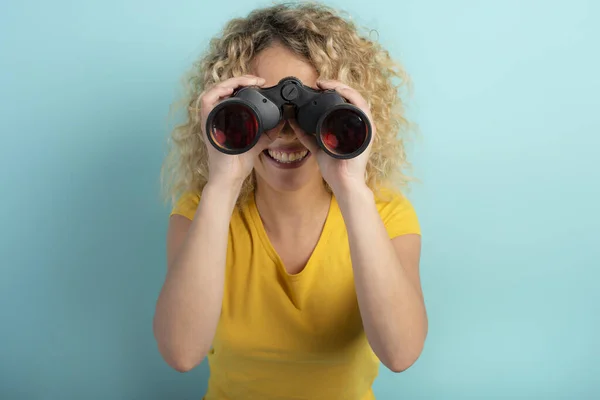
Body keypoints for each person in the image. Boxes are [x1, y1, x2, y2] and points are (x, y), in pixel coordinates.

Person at [153, 3, 428, 399]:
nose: (286, 132)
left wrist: (351, 186)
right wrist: (223, 183)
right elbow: (180, 352)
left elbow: (401, 352)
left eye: (310, 110)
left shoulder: (384, 215)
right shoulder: (202, 213)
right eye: (261, 107)